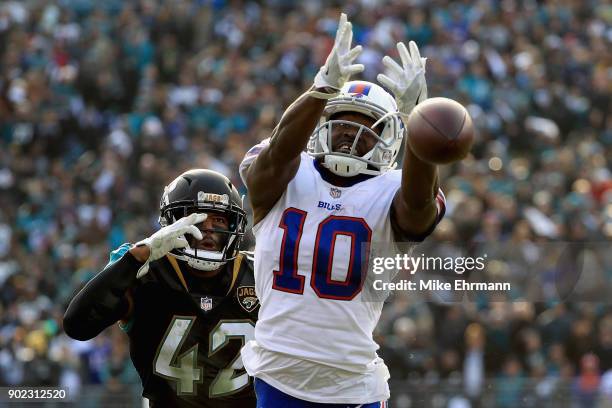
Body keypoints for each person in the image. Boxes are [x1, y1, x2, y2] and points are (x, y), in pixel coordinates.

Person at [239, 13, 447, 406]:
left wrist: (420, 121)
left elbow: (419, 208)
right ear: (321, 124)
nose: (351, 133)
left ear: (390, 138)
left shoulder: (392, 189)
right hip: (276, 375)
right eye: (341, 121)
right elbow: (276, 154)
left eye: (364, 125)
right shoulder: (286, 173)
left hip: (352, 382)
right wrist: (320, 90)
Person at [63, 169, 258, 408]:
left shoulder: (258, 273)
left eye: (218, 219)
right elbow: (77, 325)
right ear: (172, 222)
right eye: (197, 217)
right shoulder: (145, 267)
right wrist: (135, 258)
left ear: (234, 224)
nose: (208, 228)